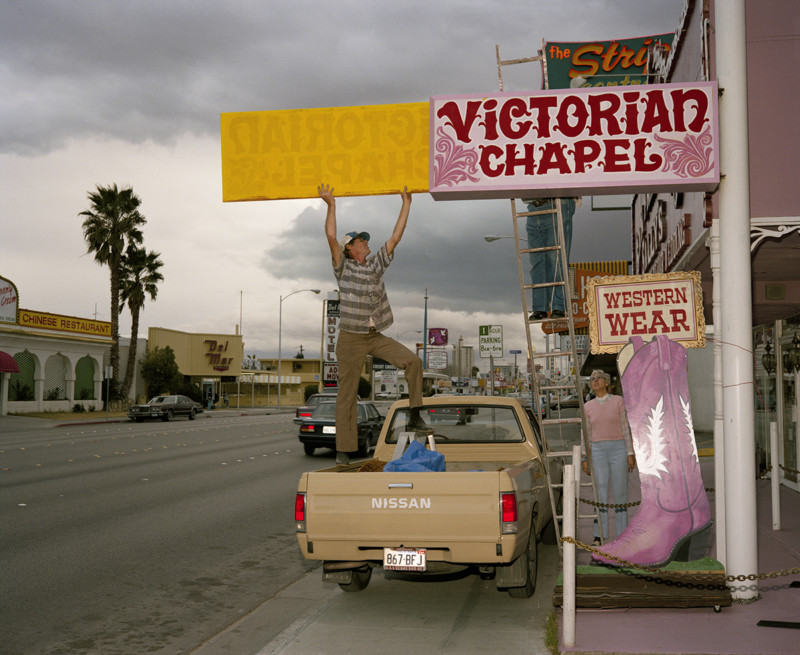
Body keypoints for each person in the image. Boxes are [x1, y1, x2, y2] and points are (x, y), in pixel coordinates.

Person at [319, 183, 426, 466]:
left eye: (366, 240)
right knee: (347, 394)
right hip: (350, 339)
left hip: (374, 334)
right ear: (350, 248)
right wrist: (331, 205)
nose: (366, 242)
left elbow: (395, 237)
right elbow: (331, 235)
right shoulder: (343, 267)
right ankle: (344, 451)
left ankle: (415, 415)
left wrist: (407, 204)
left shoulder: (376, 265)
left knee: (413, 362)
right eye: (360, 241)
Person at [581, 369, 635, 545]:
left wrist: (630, 453)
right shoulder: (587, 407)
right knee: (600, 494)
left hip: (619, 449)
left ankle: (622, 535)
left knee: (620, 493)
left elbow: (626, 428)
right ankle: (599, 536)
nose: (595, 381)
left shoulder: (619, 401)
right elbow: (585, 435)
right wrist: (585, 458)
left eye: (599, 378)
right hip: (597, 452)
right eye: (592, 379)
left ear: (606, 383)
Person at [525, 198, 578, 320]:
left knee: (557, 260)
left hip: (557, 202)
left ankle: (558, 306)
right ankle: (540, 308)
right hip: (533, 207)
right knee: (537, 263)